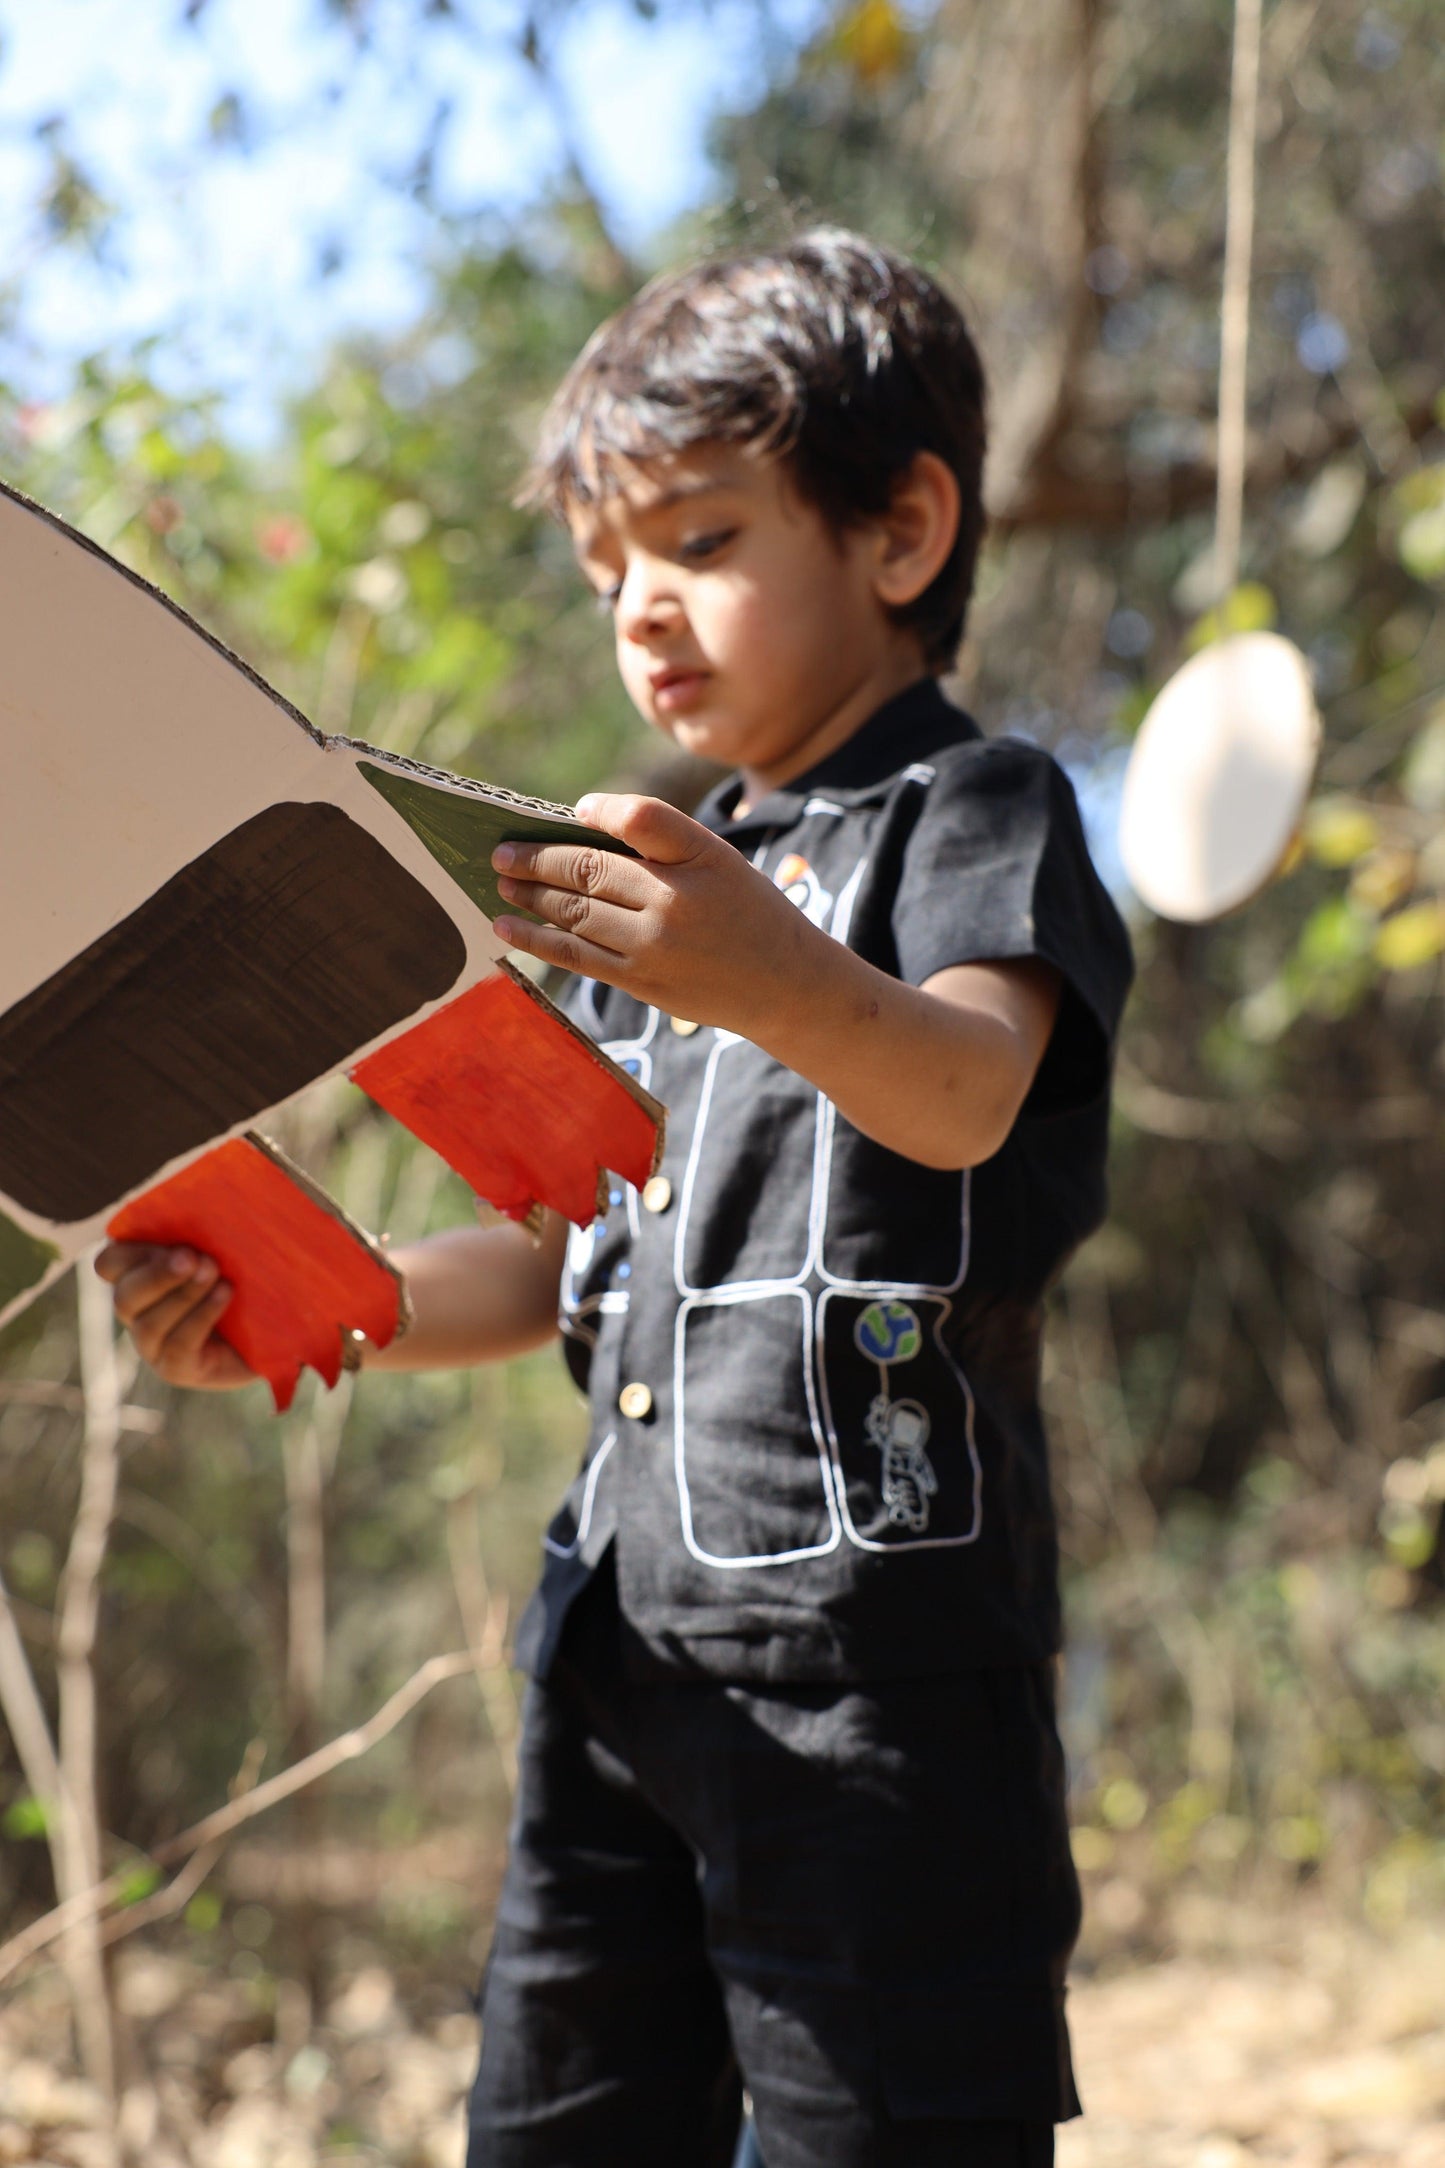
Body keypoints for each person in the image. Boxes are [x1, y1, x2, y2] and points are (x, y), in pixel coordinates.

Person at [100, 229, 1133, 2168]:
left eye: (703, 541)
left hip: (882, 1686)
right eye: (607, 573)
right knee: (564, 2125)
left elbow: (972, 1089)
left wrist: (763, 973)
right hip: (613, 1655)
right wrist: (329, 1297)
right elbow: (564, 1238)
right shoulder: (628, 880)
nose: (642, 612)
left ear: (902, 531)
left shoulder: (975, 811)